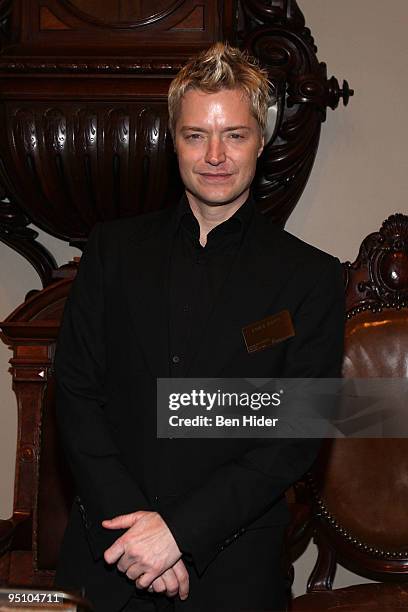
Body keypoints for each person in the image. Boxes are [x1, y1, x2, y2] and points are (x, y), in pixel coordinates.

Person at [53, 42, 345, 612]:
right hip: (107, 557)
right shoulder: (112, 250)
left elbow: (294, 439)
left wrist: (178, 534)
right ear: (174, 140)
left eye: (234, 134)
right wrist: (137, 538)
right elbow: (75, 395)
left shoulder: (311, 278)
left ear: (261, 139)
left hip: (233, 573)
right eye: (196, 135)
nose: (215, 154)